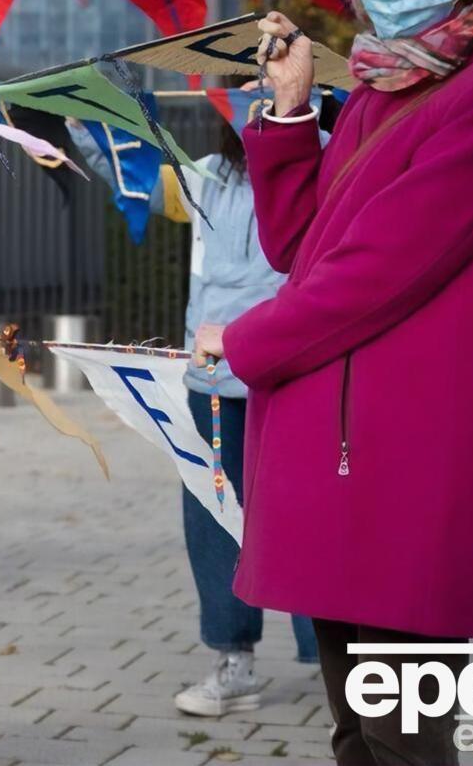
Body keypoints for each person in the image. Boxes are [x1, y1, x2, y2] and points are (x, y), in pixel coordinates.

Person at [192, 0, 473, 764]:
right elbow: (304, 250)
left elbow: (379, 269)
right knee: (356, 728)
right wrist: (290, 115)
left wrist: (245, 337)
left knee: (410, 738)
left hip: (408, 466)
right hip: (335, 455)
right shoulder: (389, 87)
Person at [71, 116, 320, 716]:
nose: (259, 101)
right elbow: (132, 178)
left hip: (293, 376)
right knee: (213, 517)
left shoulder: (327, 164)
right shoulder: (207, 176)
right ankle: (233, 657)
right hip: (210, 378)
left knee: (308, 515)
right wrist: (77, 120)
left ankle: (338, 660)